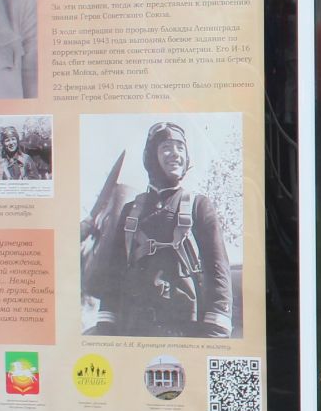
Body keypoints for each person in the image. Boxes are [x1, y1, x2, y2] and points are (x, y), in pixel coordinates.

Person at [82, 122, 232, 338]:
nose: (175, 154)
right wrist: (107, 324)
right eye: (166, 147)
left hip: (184, 330)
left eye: (180, 148)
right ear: (152, 156)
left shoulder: (199, 206)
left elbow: (219, 271)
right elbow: (114, 274)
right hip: (134, 328)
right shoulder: (130, 210)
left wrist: (217, 327)